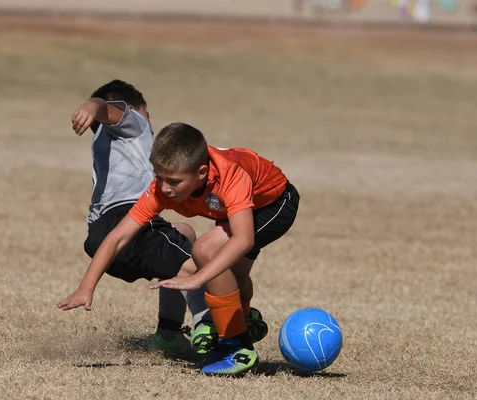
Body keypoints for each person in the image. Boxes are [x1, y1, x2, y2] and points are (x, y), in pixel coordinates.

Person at [58, 121, 299, 376]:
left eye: (173, 181)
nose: (164, 188)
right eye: (159, 177)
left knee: (205, 251)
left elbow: (243, 239)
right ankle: (245, 318)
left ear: (202, 173)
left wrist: (198, 278)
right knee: (233, 278)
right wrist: (86, 287)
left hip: (274, 205)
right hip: (236, 209)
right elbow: (118, 236)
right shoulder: (162, 188)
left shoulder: (230, 175)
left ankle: (236, 347)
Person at [58, 80, 212, 357]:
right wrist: (95, 104)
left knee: (184, 232)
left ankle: (169, 333)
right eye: (147, 112)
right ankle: (209, 329)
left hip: (101, 236)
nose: (149, 120)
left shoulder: (103, 142)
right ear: (134, 110)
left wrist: (86, 287)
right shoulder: (137, 128)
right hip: (130, 223)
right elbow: (110, 109)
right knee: (202, 269)